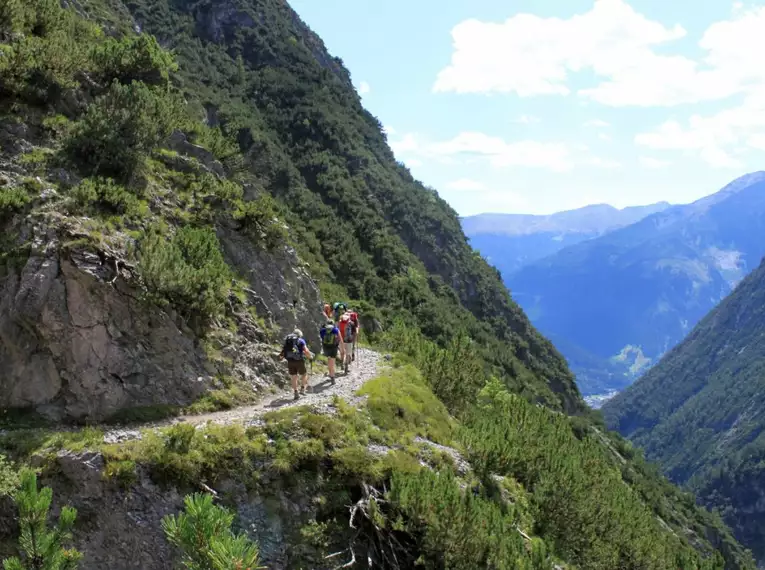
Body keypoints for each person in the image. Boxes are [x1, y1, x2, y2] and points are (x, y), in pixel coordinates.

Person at [279, 329, 313, 400]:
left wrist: (281, 357)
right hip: (299, 361)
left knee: (293, 377)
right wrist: (310, 357)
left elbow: (283, 352)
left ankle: (295, 392)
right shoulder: (301, 341)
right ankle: (302, 389)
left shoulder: (288, 341)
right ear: (300, 335)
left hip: (290, 361)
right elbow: (306, 351)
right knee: (304, 374)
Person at [319, 319, 341, 384]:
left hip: (326, 348)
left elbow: (322, 338)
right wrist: (339, 346)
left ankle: (330, 373)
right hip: (334, 348)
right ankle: (332, 378)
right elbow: (339, 339)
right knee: (332, 363)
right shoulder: (335, 329)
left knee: (329, 361)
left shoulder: (323, 330)